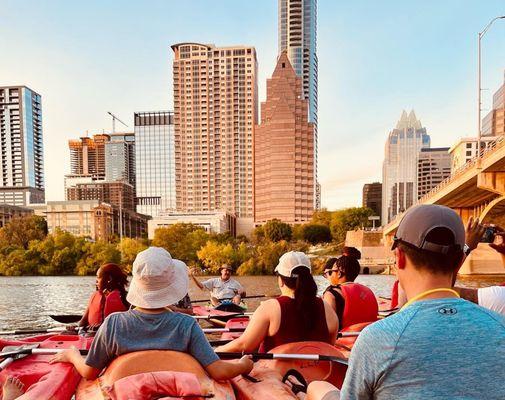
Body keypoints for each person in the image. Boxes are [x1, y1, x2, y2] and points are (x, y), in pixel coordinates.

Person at [307, 204, 505, 400]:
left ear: (399, 258)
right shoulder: (500, 326)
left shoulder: (377, 339)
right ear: (460, 261)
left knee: (318, 388)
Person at [49, 247, 253, 381]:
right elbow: (218, 371)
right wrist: (243, 364)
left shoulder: (113, 324)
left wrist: (72, 354)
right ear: (171, 284)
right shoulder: (186, 325)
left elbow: (89, 372)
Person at [215, 251, 338, 353]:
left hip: (278, 378)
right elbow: (330, 347)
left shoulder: (270, 308)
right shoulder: (327, 309)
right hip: (319, 376)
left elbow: (244, 345)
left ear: (281, 281)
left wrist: (216, 350)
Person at [322, 255, 378, 329]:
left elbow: (328, 327)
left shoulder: (331, 294)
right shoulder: (368, 291)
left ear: (339, 273)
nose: (331, 275)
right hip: (368, 336)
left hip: (344, 338)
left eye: (331, 272)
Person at [78, 263, 129, 329]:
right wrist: (76, 328)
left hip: (115, 336)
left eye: (98, 277)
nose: (96, 281)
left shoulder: (126, 298)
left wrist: (101, 329)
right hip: (90, 335)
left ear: (109, 279)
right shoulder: (95, 296)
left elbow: (132, 324)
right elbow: (82, 322)